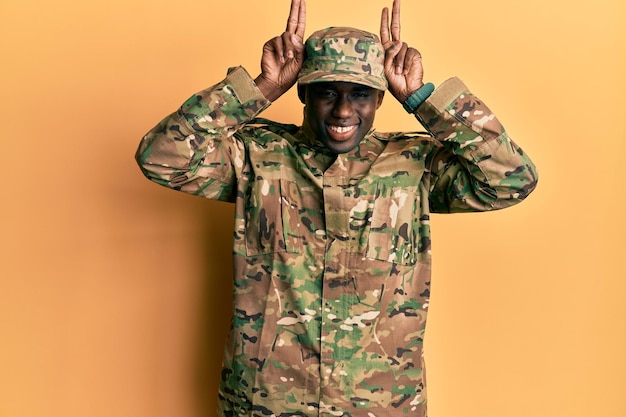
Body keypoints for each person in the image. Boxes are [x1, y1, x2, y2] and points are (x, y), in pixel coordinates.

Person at [135, 0, 538, 415]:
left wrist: (422, 99)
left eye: (360, 94)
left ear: (380, 98)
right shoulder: (256, 156)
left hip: (381, 403)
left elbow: (511, 180)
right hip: (265, 401)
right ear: (304, 94)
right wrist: (260, 89)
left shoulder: (414, 164)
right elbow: (161, 157)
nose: (344, 111)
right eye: (328, 93)